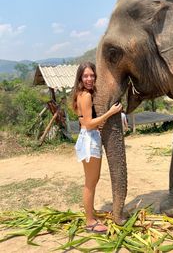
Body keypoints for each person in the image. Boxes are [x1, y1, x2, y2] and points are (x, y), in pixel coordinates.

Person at [72, 62, 122, 234]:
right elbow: (87, 123)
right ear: (80, 77)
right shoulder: (85, 95)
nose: (89, 78)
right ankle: (90, 221)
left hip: (89, 138)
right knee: (90, 183)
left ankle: (90, 215)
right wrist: (110, 113)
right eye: (86, 76)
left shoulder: (83, 94)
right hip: (89, 139)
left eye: (92, 75)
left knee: (92, 181)